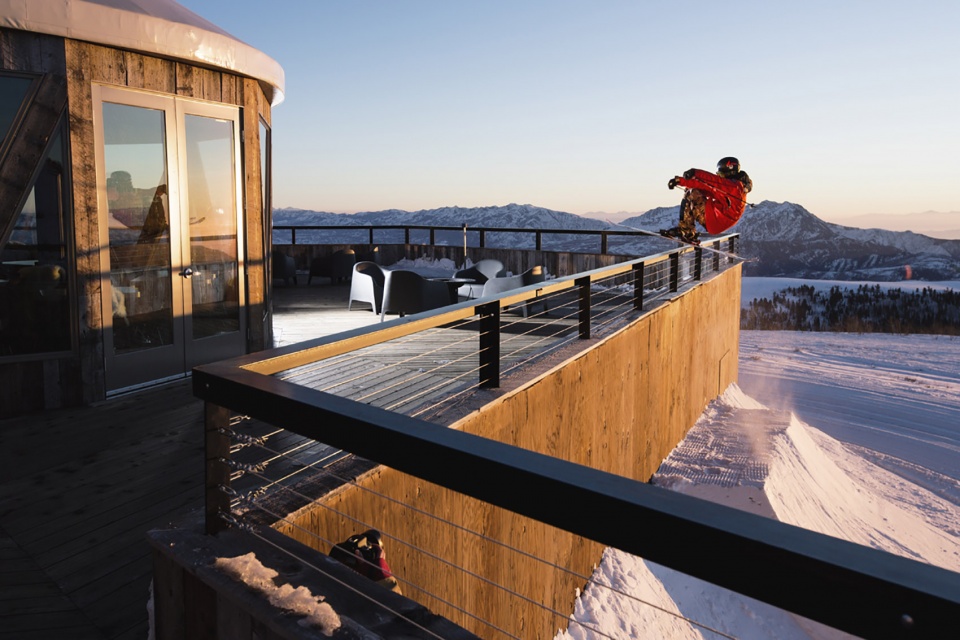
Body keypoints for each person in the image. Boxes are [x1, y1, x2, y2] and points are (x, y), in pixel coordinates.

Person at [662, 157, 753, 244]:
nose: (719, 176)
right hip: (719, 220)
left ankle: (686, 231)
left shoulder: (733, 187)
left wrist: (694, 173)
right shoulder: (734, 187)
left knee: (691, 193)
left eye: (721, 174)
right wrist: (680, 181)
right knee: (696, 191)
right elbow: (705, 186)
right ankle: (688, 231)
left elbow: (711, 180)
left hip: (716, 221)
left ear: (729, 172)